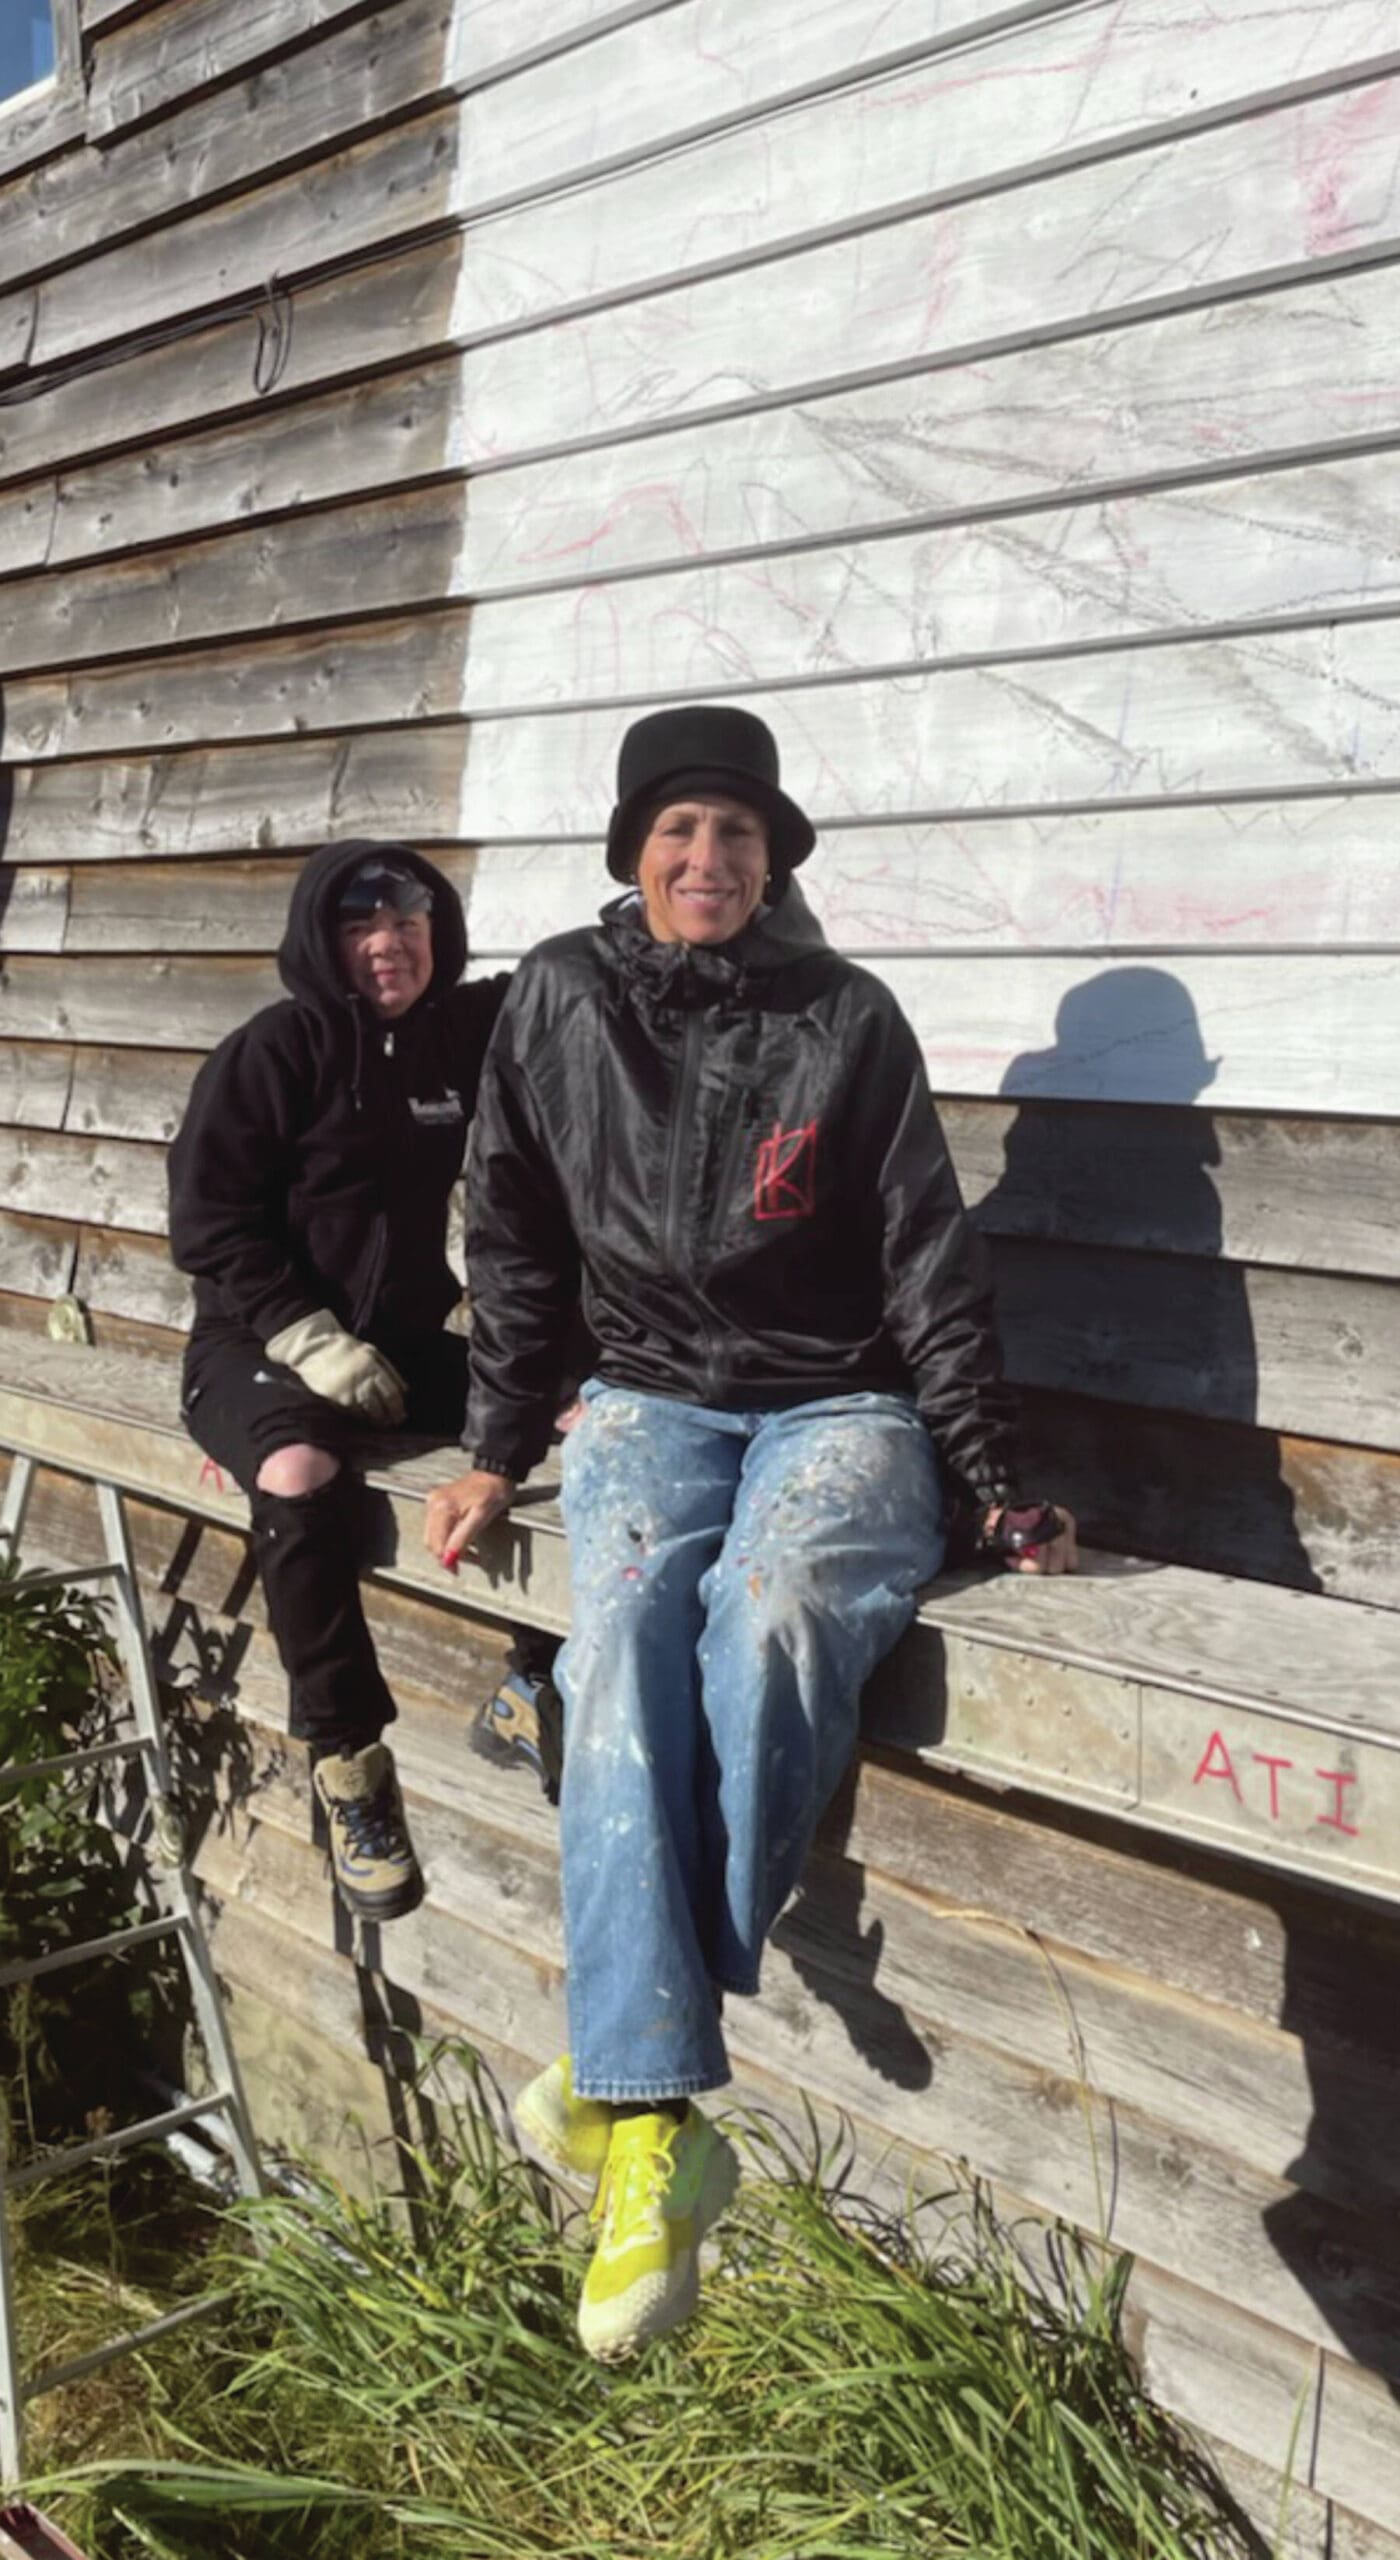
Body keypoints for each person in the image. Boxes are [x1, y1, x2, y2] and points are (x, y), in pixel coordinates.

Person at [425, 705, 1076, 2360]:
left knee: (777, 1611)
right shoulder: (561, 1005)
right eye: (679, 832)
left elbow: (929, 1252)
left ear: (774, 858)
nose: (708, 860)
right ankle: (656, 2124)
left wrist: (988, 1476)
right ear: (632, 852)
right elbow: (506, 1233)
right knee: (630, 1625)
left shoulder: (850, 1019)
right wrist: (499, 1450)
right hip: (643, 1396)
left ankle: (630, 2075)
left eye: (737, 834)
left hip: (840, 1406)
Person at [168, 840, 509, 1923]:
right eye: (360, 926)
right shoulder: (274, 1051)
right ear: (323, 942)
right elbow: (208, 1218)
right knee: (299, 1467)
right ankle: (350, 1763)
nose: (385, 943)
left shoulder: (453, 1041)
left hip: (401, 1343)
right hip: (260, 1341)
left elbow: (553, 982)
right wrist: (304, 1339)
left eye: (406, 920)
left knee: (556, 1411)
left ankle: (536, 1679)